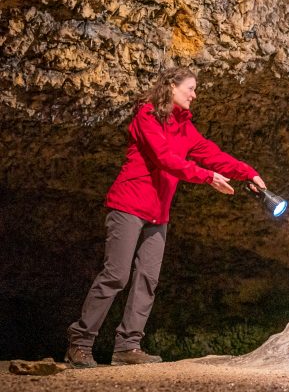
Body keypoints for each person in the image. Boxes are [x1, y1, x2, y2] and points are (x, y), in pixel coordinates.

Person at [65, 67, 265, 368]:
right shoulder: (147, 116)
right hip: (128, 205)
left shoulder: (185, 128)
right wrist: (206, 177)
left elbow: (213, 154)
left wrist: (249, 173)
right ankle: (79, 343)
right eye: (191, 88)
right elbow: (164, 158)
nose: (194, 95)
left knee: (148, 278)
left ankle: (127, 347)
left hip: (158, 214)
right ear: (171, 87)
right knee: (116, 275)